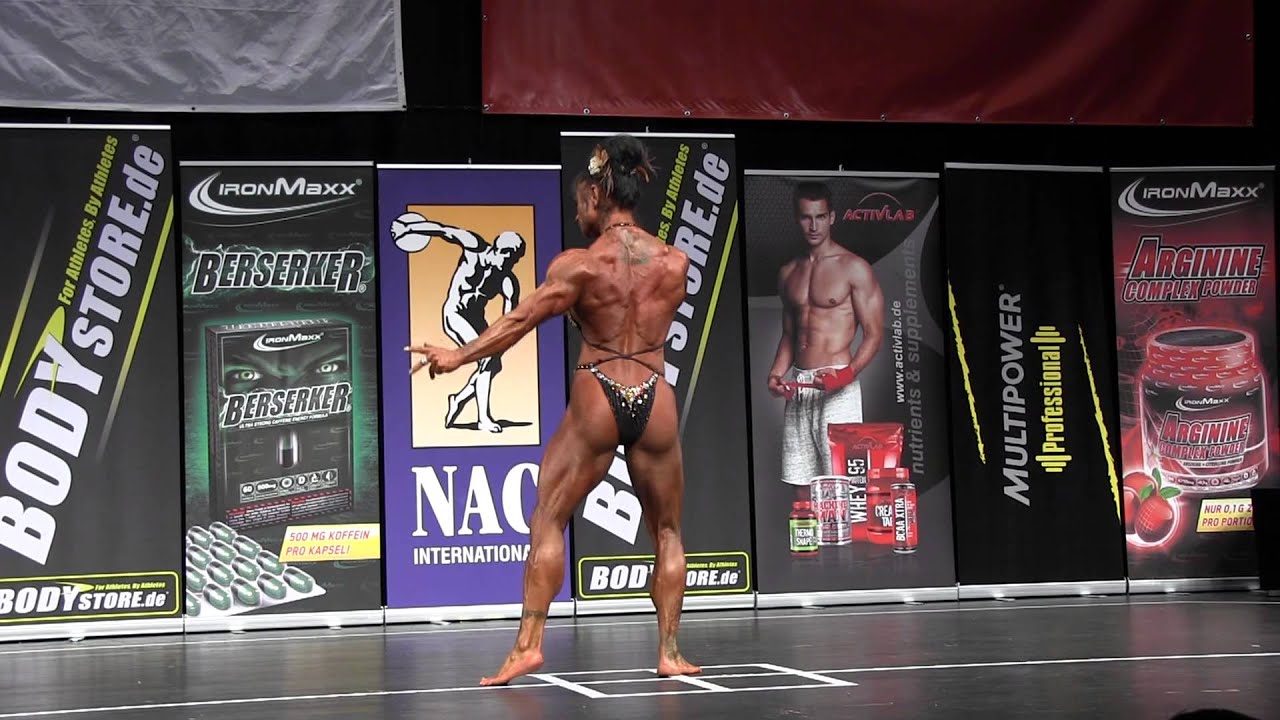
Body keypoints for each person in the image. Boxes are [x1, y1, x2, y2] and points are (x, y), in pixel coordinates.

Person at [406, 134, 699, 685]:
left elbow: (519, 321)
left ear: (597, 195)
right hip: (654, 394)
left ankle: (527, 646)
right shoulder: (675, 263)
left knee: (548, 517)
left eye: (580, 202)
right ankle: (670, 651)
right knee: (667, 530)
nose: (578, 212)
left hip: (599, 390)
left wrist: (457, 356)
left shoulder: (580, 265)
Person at [766, 181, 884, 501]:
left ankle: (841, 538)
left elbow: (874, 333)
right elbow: (790, 334)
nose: (814, 226)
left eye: (820, 217)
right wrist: (776, 374)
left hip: (838, 385)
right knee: (801, 485)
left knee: (840, 483)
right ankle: (807, 537)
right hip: (800, 386)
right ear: (797, 218)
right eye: (806, 217)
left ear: (832, 217)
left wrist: (846, 375)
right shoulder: (788, 272)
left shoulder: (854, 268)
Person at [393, 214, 525, 433]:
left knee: (493, 364)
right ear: (498, 249)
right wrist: (410, 228)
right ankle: (483, 418)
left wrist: (500, 344)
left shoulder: (508, 281)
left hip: (477, 320)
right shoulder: (474, 246)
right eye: (509, 257)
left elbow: (510, 320)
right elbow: (443, 230)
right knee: (487, 360)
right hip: (455, 314)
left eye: (515, 260)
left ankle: (458, 399)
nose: (510, 263)